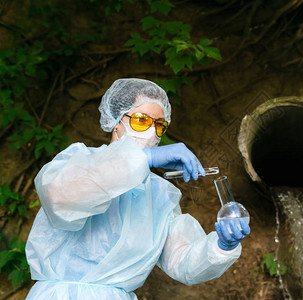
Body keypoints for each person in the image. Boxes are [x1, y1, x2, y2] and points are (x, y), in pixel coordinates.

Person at [25, 78, 250, 299]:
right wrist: (145, 158)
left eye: (159, 125)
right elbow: (60, 197)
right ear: (115, 121)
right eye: (141, 120)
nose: (152, 131)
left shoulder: (160, 194)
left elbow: (181, 261)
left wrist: (220, 247)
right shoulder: (80, 161)